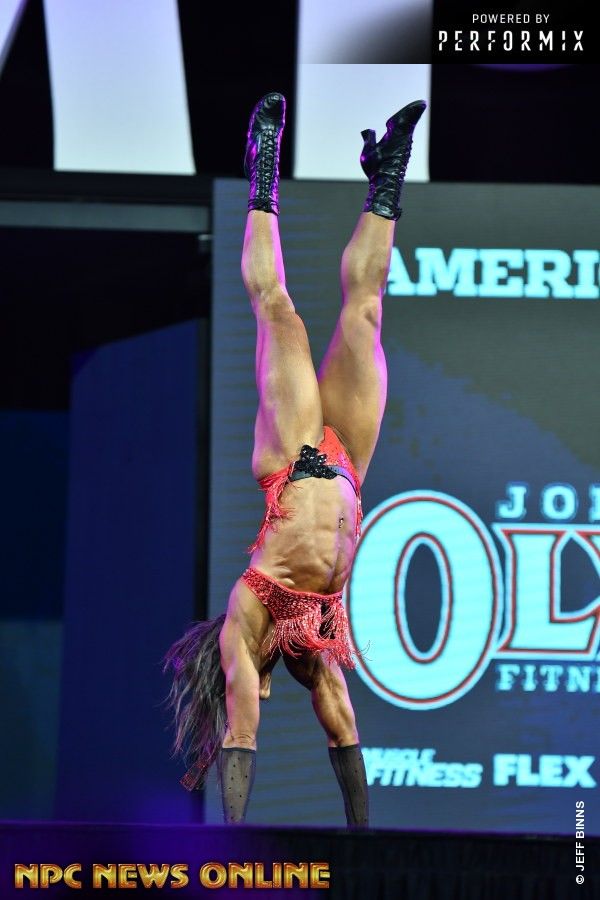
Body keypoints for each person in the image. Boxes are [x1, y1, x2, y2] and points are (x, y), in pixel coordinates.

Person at [164, 91, 426, 826]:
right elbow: (342, 727)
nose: (263, 687)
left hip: (293, 455)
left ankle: (262, 167)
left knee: (278, 309)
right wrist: (362, 840)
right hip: (346, 466)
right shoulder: (314, 646)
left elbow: (240, 730)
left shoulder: (246, 619)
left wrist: (230, 841)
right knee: (366, 312)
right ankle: (388, 172)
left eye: (257, 682)